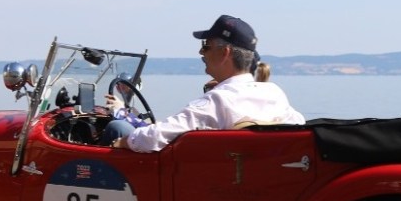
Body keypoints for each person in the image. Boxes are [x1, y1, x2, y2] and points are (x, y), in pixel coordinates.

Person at [102, 15, 303, 152]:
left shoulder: (219, 100)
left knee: (117, 128)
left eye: (206, 46)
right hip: (252, 173)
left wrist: (123, 142)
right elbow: (299, 125)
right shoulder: (274, 93)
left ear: (225, 53)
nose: (201, 52)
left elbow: (155, 137)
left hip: (208, 180)